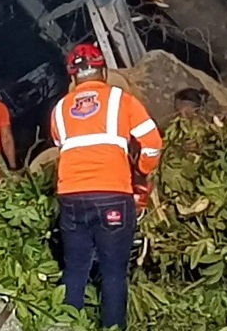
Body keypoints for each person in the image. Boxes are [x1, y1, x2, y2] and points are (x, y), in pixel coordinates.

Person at [50, 43, 162, 330]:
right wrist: (141, 172)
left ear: (72, 76)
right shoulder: (121, 100)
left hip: (71, 197)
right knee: (113, 272)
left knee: (75, 268)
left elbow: (63, 148)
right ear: (104, 71)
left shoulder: (60, 109)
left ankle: (68, 324)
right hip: (112, 194)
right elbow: (152, 144)